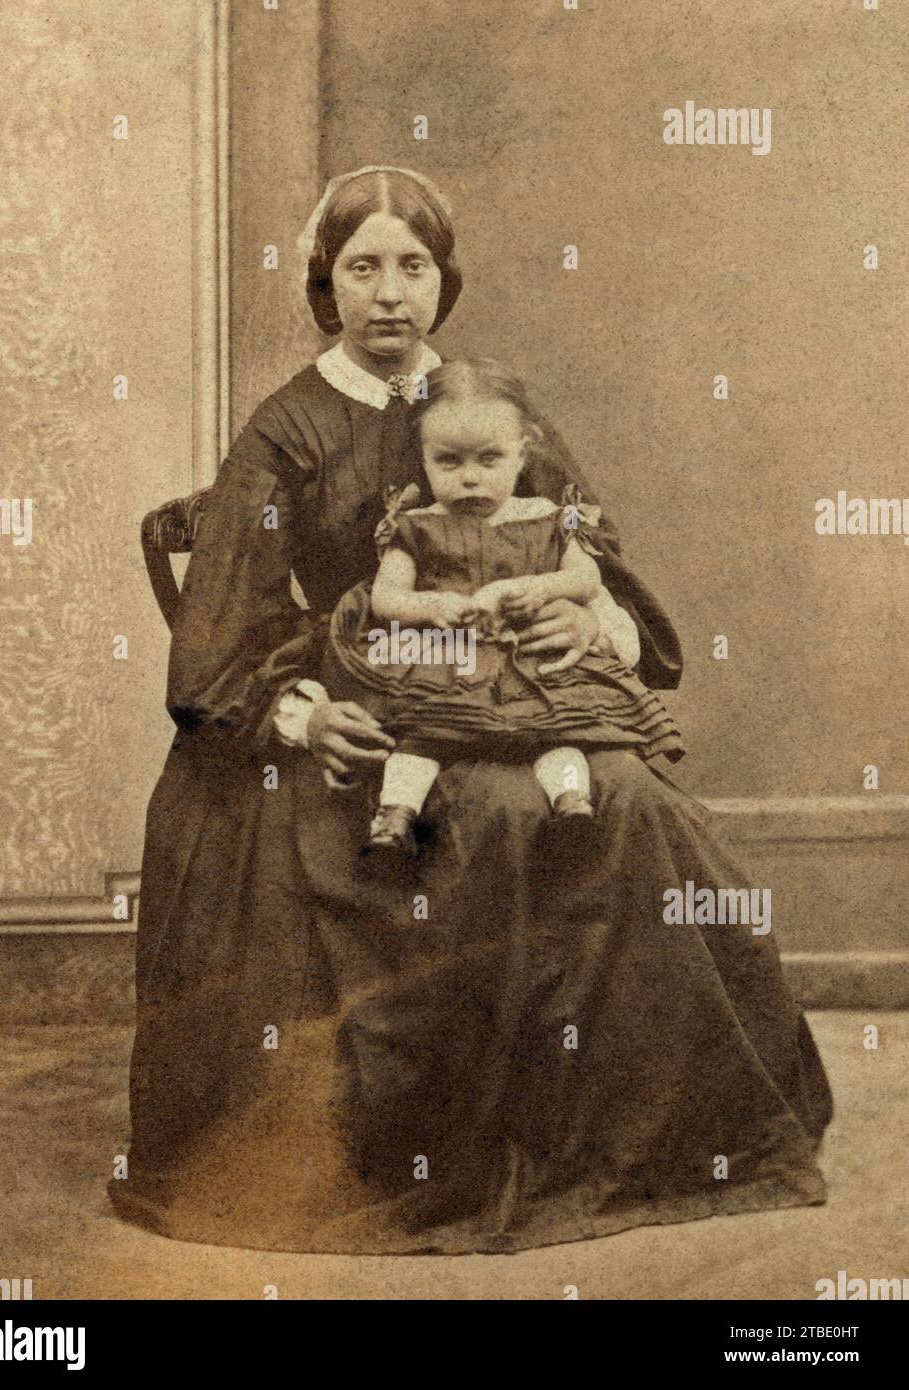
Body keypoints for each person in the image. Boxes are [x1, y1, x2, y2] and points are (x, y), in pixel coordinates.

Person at [111, 165, 832, 1255]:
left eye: (414, 267)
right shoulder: (288, 426)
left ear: (444, 281)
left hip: (528, 696)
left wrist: (587, 629)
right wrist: (303, 716)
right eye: (363, 268)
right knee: (471, 821)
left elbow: (590, 552)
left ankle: (617, 1132)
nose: (390, 294)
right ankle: (441, 1137)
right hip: (375, 691)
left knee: (634, 801)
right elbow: (224, 627)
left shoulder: (487, 405)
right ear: (325, 283)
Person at [321, 357, 684, 858]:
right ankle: (395, 816)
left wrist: (541, 589)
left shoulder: (547, 518)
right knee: (422, 739)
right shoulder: (417, 526)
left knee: (556, 732)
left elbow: (586, 578)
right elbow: (386, 597)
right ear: (423, 458)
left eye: (489, 460)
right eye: (449, 462)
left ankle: (571, 804)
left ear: (522, 455)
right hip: (450, 663)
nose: (470, 479)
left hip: (528, 665)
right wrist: (432, 605)